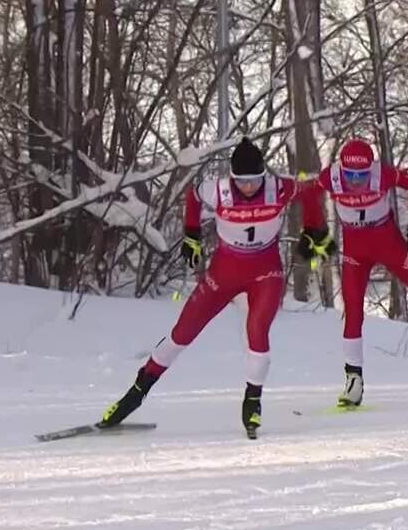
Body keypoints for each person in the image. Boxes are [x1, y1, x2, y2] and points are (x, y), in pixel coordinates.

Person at [98, 137, 325, 439]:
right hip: (224, 272)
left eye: (254, 180)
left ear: (263, 176)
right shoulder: (217, 190)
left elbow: (310, 193)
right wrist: (191, 235)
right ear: (233, 177)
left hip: (265, 272)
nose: (247, 187)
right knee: (184, 331)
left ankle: (253, 400)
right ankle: (137, 391)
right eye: (241, 181)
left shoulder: (277, 188)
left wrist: (314, 229)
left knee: (257, 330)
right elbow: (192, 198)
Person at [301, 138, 408, 407]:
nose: (356, 181)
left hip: (388, 242)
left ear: (371, 168)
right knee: (354, 311)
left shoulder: (382, 174)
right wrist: (315, 230)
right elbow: (309, 193)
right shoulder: (331, 177)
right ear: (341, 169)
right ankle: (353, 379)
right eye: (351, 175)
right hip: (355, 249)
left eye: (362, 174)